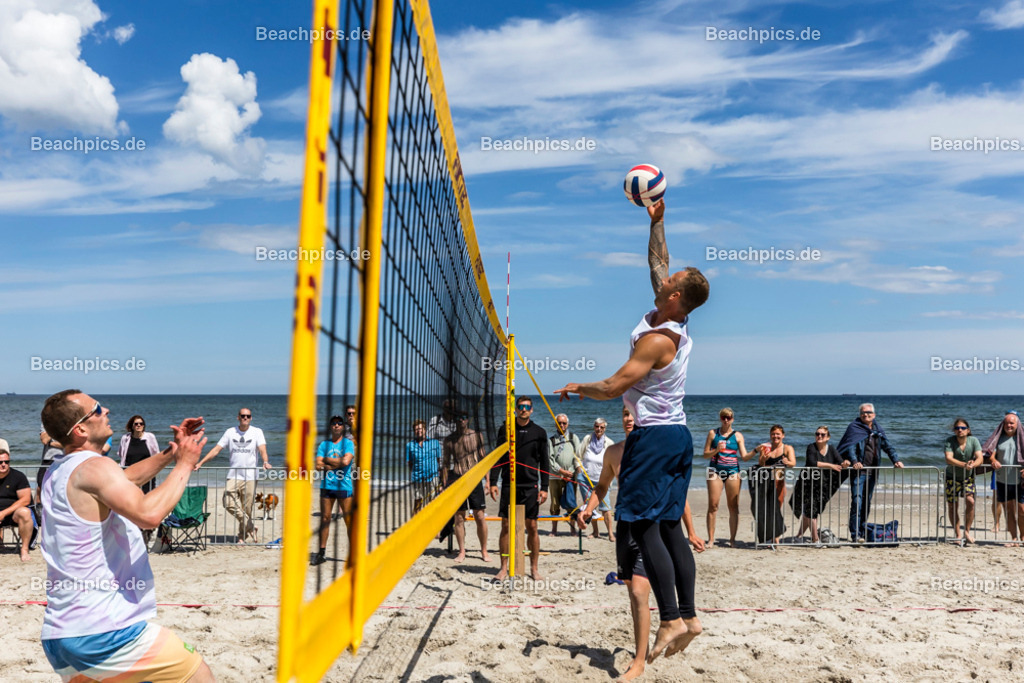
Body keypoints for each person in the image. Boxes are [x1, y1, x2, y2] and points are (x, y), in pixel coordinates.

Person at [555, 198, 709, 662]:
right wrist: (657, 221)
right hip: (676, 436)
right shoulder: (671, 315)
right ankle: (690, 616)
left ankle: (670, 621)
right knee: (668, 528)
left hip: (656, 438)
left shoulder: (658, 338)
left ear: (677, 296)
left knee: (642, 527)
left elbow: (613, 386)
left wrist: (578, 387)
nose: (663, 280)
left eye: (671, 282)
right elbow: (658, 261)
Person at [39, 389, 214, 682]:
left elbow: (126, 478)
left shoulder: (58, 470)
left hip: (61, 636)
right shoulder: (96, 467)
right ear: (80, 429)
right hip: (105, 633)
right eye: (96, 409)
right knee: (198, 673)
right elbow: (149, 515)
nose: (105, 410)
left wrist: (173, 451)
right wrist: (185, 464)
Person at [576, 406, 705, 682]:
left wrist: (690, 531)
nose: (629, 418)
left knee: (638, 591)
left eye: (633, 413)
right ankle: (645, 650)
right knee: (633, 595)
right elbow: (602, 487)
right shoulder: (614, 452)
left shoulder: (655, 453)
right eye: (625, 413)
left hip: (651, 527)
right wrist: (588, 509)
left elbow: (677, 495)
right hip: (626, 525)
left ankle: (639, 660)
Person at [490, 397, 549, 580]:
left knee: (532, 526)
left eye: (527, 407)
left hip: (530, 485)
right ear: (515, 409)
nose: (523, 410)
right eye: (520, 407)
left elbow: (544, 462)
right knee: (506, 526)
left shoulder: (539, 432)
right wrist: (493, 482)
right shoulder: (506, 429)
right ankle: (503, 567)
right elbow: (498, 457)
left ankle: (534, 568)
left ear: (531, 410)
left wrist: (544, 486)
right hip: (509, 484)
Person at [195, 408, 271, 544]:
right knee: (227, 502)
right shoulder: (230, 432)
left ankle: (241, 537)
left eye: (248, 416)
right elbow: (216, 450)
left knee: (247, 508)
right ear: (238, 417)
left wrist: (265, 461)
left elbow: (262, 448)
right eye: (243, 416)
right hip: (234, 475)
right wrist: (201, 462)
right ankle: (251, 527)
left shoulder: (257, 432)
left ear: (251, 418)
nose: (245, 418)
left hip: (251, 476)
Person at [837, 403, 903, 543]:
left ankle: (862, 532)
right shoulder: (854, 428)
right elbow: (850, 447)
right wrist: (855, 461)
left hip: (873, 472)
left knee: (866, 503)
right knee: (857, 501)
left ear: (874, 415)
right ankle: (855, 535)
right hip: (859, 472)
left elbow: (887, 446)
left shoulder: (877, 429)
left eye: (868, 413)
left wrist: (895, 460)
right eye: (863, 413)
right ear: (860, 414)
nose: (866, 415)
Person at [443, 412, 491, 563]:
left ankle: (484, 550)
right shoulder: (449, 439)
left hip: (475, 478)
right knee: (459, 517)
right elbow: (445, 464)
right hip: (457, 479)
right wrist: (444, 485)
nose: (461, 420)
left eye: (464, 418)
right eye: (458, 417)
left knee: (479, 516)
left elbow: (484, 458)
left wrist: (488, 481)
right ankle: (462, 551)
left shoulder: (476, 436)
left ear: (467, 419)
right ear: (455, 419)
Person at [701, 407, 751, 548]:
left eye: (729, 417)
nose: (726, 420)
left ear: (733, 419)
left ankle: (732, 540)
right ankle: (711, 540)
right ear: (720, 419)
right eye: (724, 417)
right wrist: (716, 450)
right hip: (715, 471)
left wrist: (756, 451)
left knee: (733, 506)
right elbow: (705, 454)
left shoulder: (738, 436)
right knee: (713, 505)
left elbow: (745, 457)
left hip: (733, 471)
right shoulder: (713, 433)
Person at [789, 426, 848, 543]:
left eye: (822, 434)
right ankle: (815, 540)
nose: (819, 436)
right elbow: (812, 462)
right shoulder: (811, 447)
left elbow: (839, 461)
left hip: (821, 485)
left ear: (828, 437)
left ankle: (798, 537)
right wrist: (831, 466)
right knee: (812, 511)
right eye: (817, 434)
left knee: (809, 511)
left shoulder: (831, 449)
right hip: (807, 483)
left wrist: (845, 463)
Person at [311, 416, 355, 566]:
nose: (336, 426)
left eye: (339, 423)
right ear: (331, 427)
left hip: (344, 486)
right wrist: (337, 463)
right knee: (325, 519)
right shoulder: (324, 444)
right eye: (334, 424)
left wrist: (328, 462)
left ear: (343, 427)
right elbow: (318, 465)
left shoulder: (348, 443)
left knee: (348, 520)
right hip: (327, 486)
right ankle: (321, 553)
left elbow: (346, 461)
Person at [982, 410, 1024, 546]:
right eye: (1006, 423)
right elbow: (991, 454)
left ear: (1017, 424)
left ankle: (1023, 537)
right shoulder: (999, 438)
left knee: (1022, 510)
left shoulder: (1022, 438)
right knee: (1009, 510)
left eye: (1011, 423)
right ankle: (1013, 539)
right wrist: (993, 460)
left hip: (1020, 480)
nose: (1009, 426)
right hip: (1003, 479)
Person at [749, 425, 796, 544]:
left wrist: (787, 462)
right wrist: (764, 458)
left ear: (783, 435)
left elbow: (793, 463)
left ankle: (776, 538)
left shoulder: (787, 448)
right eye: (773, 434)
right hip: (765, 482)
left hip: (779, 483)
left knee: (776, 510)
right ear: (770, 435)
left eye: (778, 434)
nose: (775, 436)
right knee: (765, 509)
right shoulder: (766, 448)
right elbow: (761, 464)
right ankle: (768, 537)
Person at [943, 418, 984, 545]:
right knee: (952, 505)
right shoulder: (950, 441)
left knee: (970, 501)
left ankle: (966, 531)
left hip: (968, 477)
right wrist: (964, 464)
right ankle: (957, 534)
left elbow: (980, 458)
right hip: (952, 477)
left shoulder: (973, 440)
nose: (960, 430)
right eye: (957, 428)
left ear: (968, 430)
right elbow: (948, 459)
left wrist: (973, 465)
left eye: (962, 428)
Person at [576, 418, 616, 540]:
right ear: (594, 427)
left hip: (602, 481)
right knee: (589, 507)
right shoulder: (587, 439)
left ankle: (610, 533)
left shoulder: (609, 443)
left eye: (601, 427)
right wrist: (579, 469)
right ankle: (595, 532)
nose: (599, 429)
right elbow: (578, 456)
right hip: (585, 479)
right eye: (597, 426)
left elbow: (613, 463)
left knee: (606, 508)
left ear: (605, 429)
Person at [0, 439, 34, 562]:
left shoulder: (18, 476)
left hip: (12, 514)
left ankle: (24, 550)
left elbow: (25, 499)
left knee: (25, 512)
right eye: (0, 462)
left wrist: (3, 513)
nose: (3, 464)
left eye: (6, 462)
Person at [548, 413, 580, 535]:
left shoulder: (574, 438)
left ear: (568, 424)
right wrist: (561, 471)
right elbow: (550, 459)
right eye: (559, 423)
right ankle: (554, 529)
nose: (562, 425)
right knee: (554, 504)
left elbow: (577, 456)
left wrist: (570, 472)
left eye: (564, 423)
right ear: (556, 424)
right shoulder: (551, 440)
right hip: (554, 476)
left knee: (571, 502)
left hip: (570, 477)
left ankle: (572, 528)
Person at [118, 415, 160, 493]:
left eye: (141, 423)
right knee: (130, 496)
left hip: (146, 474)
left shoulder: (150, 437)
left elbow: (156, 455)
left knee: (147, 496)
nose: (139, 425)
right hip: (130, 474)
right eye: (136, 424)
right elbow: (121, 454)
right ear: (132, 426)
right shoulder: (125, 438)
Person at [407, 419, 441, 512]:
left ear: (425, 430)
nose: (419, 431)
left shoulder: (435, 443)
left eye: (421, 429)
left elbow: (439, 460)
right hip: (418, 477)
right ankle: (415, 523)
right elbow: (410, 462)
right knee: (418, 500)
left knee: (432, 501)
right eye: (416, 429)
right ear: (414, 431)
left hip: (432, 476)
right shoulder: (410, 445)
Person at [38, 426, 64, 505]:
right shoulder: (48, 419)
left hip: (65, 459)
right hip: (48, 459)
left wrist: (52, 443)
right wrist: (55, 422)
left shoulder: (71, 417)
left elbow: (72, 444)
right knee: (41, 483)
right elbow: (45, 440)